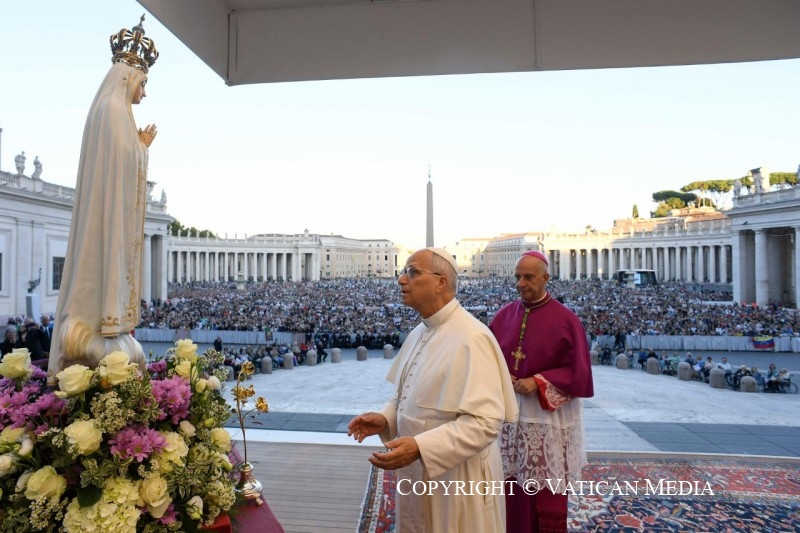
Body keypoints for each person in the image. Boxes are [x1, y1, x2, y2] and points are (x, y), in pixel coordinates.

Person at [347, 247, 517, 532]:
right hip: (418, 473)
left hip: (458, 477)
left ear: (441, 282)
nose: (402, 279)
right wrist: (387, 419)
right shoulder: (419, 332)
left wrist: (421, 446)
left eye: (412, 272)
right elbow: (407, 395)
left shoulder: (472, 338)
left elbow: (485, 423)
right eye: (404, 272)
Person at [48, 16, 159, 380]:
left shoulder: (114, 112)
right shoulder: (112, 111)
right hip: (108, 217)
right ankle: (106, 324)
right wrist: (140, 151)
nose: (144, 93)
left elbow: (122, 162)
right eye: (143, 84)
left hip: (112, 210)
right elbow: (119, 167)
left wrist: (139, 148)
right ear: (128, 79)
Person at [489, 251, 594, 533]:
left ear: (546, 278)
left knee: (543, 488)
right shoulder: (503, 315)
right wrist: (502, 375)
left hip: (545, 417)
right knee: (510, 484)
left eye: (528, 277)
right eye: (517, 277)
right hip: (510, 415)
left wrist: (538, 381)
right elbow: (487, 358)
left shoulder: (566, 320)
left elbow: (579, 373)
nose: (520, 283)